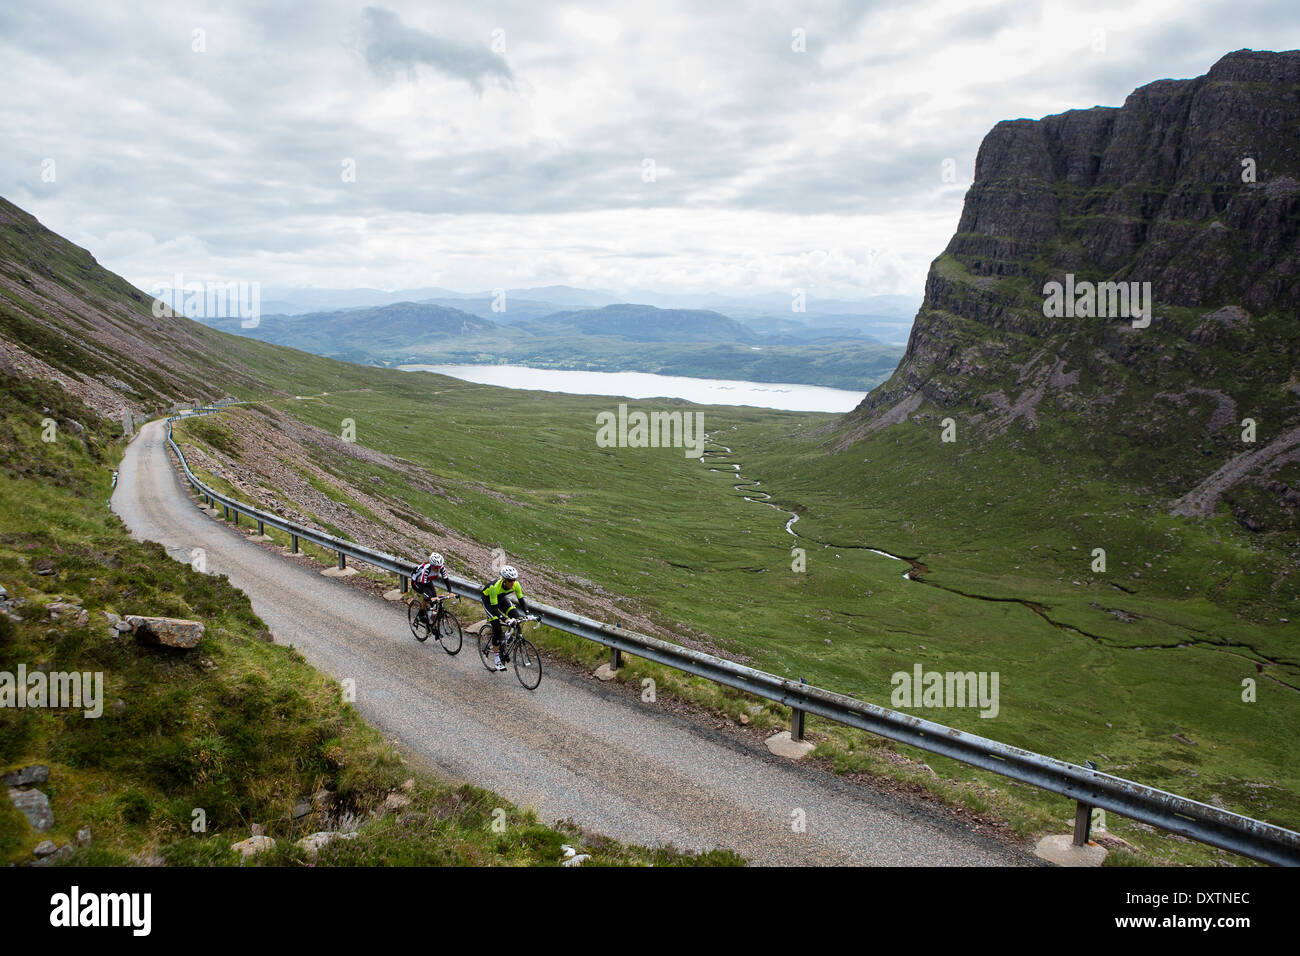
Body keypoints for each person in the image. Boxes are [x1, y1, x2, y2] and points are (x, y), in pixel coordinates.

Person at [481, 565, 534, 672]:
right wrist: (505, 619)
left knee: (517, 618)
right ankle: (497, 660)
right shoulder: (494, 587)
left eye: (514, 580)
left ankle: (506, 638)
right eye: (510, 581)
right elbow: (495, 608)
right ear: (504, 580)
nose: (512, 583)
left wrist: (528, 614)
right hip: (489, 602)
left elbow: (521, 601)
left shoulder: (516, 585)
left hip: (501, 599)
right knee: (497, 627)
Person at [412, 551, 450, 626]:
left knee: (435, 601)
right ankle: (420, 614)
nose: (437, 569)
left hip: (427, 581)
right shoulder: (426, 569)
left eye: (439, 567)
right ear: (432, 565)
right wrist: (429, 598)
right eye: (436, 567)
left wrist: (450, 592)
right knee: (428, 597)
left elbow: (446, 580)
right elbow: (423, 586)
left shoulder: (441, 568)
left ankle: (432, 621)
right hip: (417, 582)